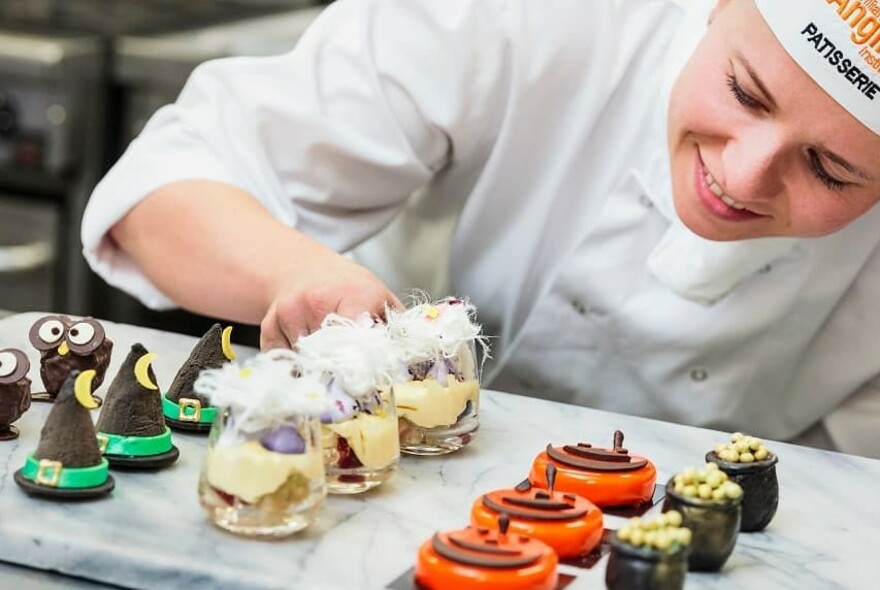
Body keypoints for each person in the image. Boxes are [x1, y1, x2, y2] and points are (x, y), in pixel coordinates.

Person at [82, 0, 880, 459]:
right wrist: (295, 278)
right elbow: (165, 189)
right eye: (743, 92)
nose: (741, 178)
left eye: (832, 170)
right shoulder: (532, 17)